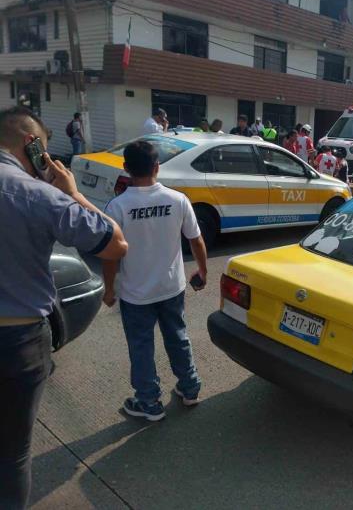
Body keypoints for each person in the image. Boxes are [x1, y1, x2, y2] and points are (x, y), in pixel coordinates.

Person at [0, 106, 128, 509]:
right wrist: (71, 191)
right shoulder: (35, 193)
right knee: (12, 453)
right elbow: (115, 244)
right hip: (16, 342)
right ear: (32, 144)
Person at [102, 141, 208, 421]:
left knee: (141, 346)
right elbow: (196, 240)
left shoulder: (118, 206)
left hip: (136, 294)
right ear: (157, 167)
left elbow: (110, 255)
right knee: (178, 337)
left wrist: (109, 287)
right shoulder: (178, 199)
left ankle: (149, 402)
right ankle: (190, 388)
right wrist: (203, 271)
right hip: (172, 287)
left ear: (126, 168)